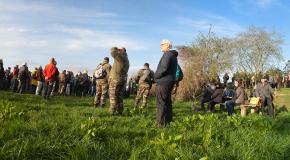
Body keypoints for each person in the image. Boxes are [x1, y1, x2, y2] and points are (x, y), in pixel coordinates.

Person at [154, 39, 177, 127]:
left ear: (168, 45)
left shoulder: (167, 54)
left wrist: (155, 76)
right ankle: (168, 121)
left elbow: (163, 68)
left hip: (163, 82)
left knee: (160, 102)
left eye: (162, 44)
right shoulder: (173, 55)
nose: (160, 46)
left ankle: (160, 124)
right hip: (169, 81)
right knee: (167, 102)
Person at [109, 47, 129, 114]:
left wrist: (116, 48)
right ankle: (120, 110)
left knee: (113, 95)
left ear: (122, 51)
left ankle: (112, 111)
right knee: (119, 96)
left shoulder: (121, 57)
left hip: (115, 79)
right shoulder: (126, 59)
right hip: (122, 79)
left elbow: (112, 51)